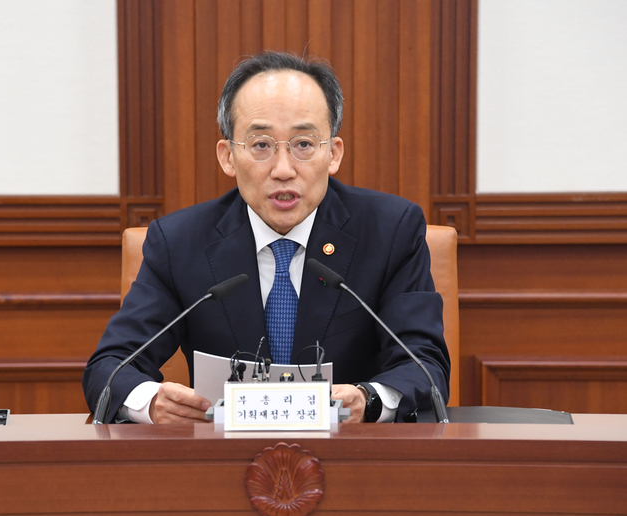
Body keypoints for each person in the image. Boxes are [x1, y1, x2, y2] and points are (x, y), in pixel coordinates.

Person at [83, 51, 449, 424]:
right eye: (260, 145)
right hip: (221, 464)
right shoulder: (179, 243)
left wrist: (369, 400)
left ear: (333, 154)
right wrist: (151, 402)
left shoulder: (390, 231)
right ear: (228, 157)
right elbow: (109, 368)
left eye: (304, 144)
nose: (283, 170)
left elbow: (424, 364)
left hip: (352, 463)